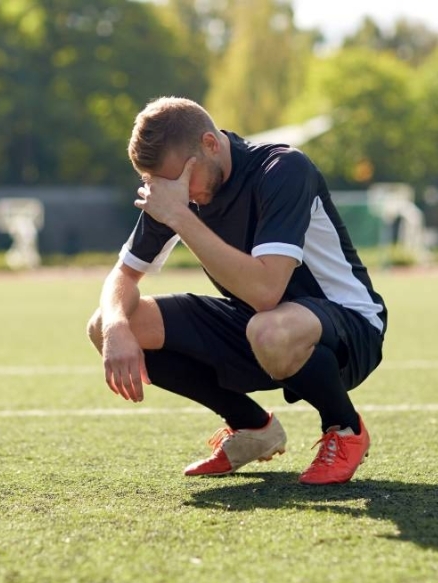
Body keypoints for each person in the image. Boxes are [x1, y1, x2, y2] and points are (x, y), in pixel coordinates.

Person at [86, 97, 387, 485]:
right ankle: (252, 428)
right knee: (108, 322)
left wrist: (179, 216)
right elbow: (122, 276)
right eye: (163, 185)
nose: (182, 194)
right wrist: (114, 329)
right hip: (257, 325)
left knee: (269, 329)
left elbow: (266, 290)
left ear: (210, 144)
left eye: (182, 181)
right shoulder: (178, 188)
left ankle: (345, 429)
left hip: (348, 325)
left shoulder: (283, 169)